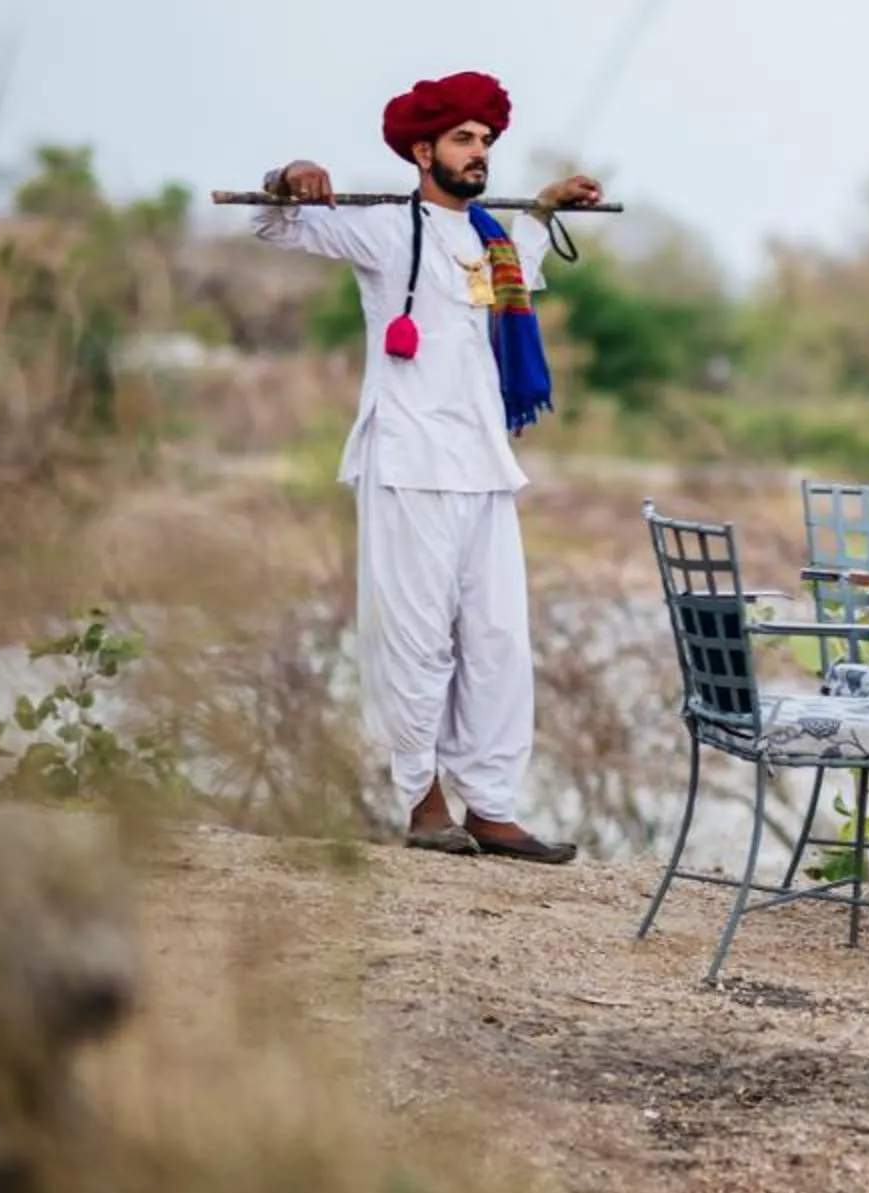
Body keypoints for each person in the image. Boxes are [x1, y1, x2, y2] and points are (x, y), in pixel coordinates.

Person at [252, 69, 605, 863]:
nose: (479, 152)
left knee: (499, 643)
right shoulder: (383, 230)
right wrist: (289, 176)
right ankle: (422, 801)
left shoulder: (491, 238)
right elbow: (278, 226)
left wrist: (545, 206)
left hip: (484, 463)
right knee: (415, 642)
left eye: (486, 140)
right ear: (422, 151)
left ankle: (493, 807)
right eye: (463, 139)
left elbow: (526, 262)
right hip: (408, 461)